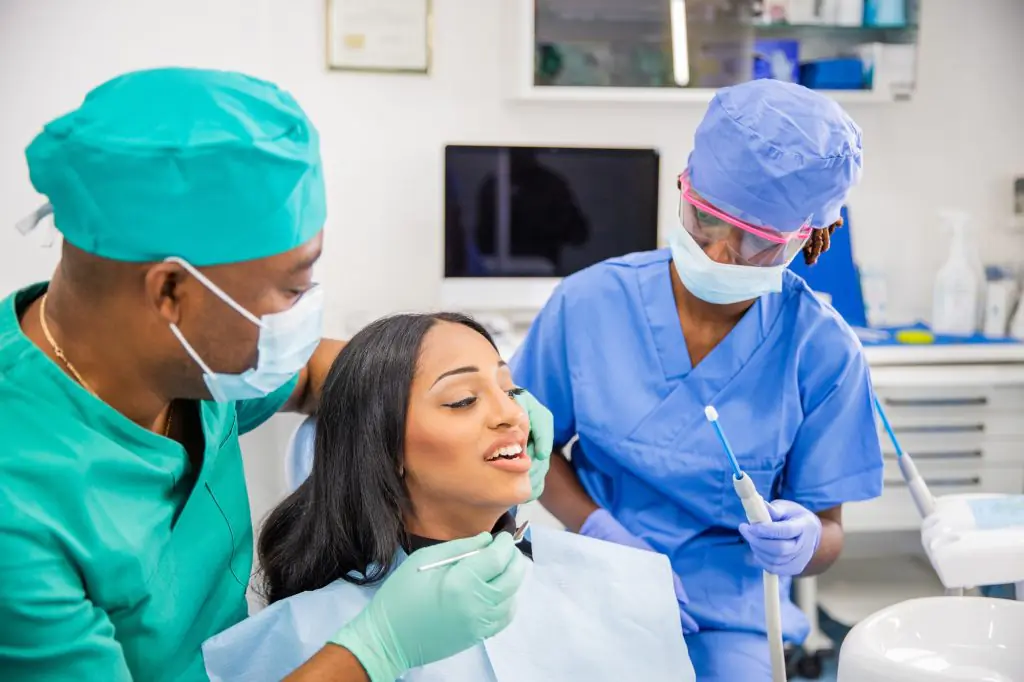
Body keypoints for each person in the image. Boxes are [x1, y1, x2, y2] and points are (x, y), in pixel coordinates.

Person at [0, 67, 554, 682]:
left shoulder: (195, 362)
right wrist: (376, 651)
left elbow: (330, 373)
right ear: (171, 292)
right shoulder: (19, 509)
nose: (304, 315)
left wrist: (487, 402)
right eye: (291, 290)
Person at [511, 79, 885, 681]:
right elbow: (528, 444)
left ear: (808, 238)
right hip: (595, 577)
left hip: (731, 616)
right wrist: (597, 527)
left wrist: (806, 541)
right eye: (706, 219)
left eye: (758, 241)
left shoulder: (823, 351)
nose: (720, 252)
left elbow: (830, 530)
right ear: (683, 187)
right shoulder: (590, 303)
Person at [202, 313, 693, 682]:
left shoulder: (618, 587)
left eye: (511, 388)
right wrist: (377, 650)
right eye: (462, 400)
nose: (512, 416)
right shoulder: (309, 636)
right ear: (386, 446)